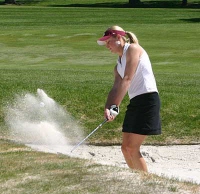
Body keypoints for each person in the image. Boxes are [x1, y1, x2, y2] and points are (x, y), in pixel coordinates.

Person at [97, 26, 161, 172]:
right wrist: (108, 108)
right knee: (125, 148)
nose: (107, 46)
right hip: (136, 102)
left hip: (148, 100)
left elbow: (127, 79)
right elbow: (115, 88)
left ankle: (146, 183)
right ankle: (135, 180)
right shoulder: (117, 65)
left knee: (132, 147)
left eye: (109, 42)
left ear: (119, 38)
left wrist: (115, 106)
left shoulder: (133, 49)